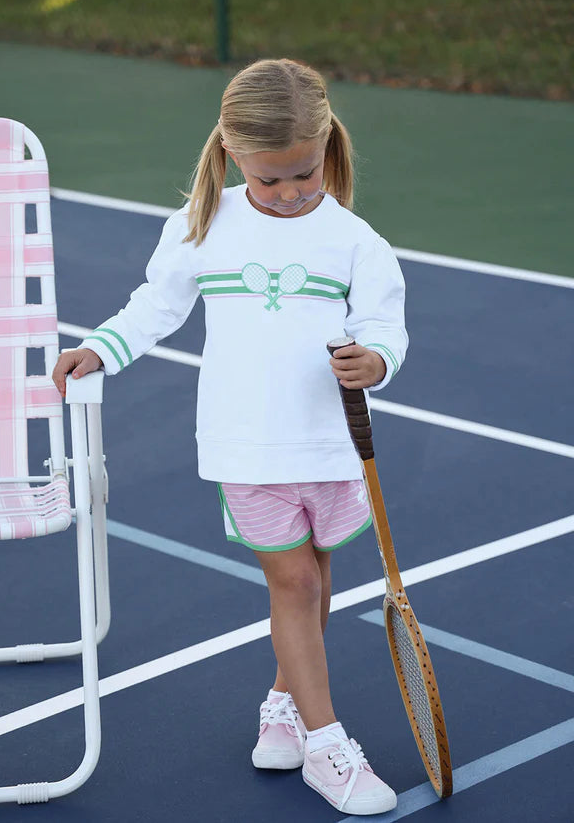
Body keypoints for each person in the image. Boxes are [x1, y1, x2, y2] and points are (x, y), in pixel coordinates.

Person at [52, 58, 408, 816]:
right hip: (244, 445)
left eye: (304, 174)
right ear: (231, 151)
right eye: (270, 178)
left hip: (330, 444)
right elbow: (154, 306)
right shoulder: (202, 223)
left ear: (327, 146)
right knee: (296, 583)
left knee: (315, 576)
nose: (290, 192)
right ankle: (327, 746)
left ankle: (284, 704)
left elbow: (386, 326)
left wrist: (376, 359)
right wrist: (103, 346)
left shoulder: (356, 240)